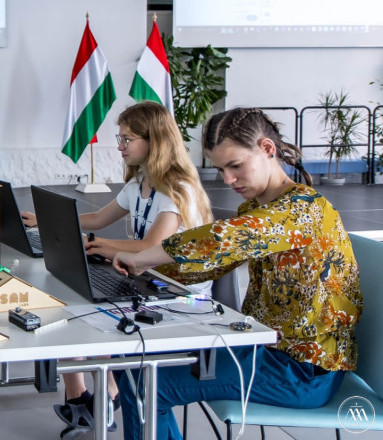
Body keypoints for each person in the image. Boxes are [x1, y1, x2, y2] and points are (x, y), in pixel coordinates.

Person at [110, 107, 362, 440]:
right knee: (133, 359)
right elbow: (210, 264)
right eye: (220, 169)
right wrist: (138, 271)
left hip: (303, 370)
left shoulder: (304, 210)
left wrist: (143, 258)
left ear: (267, 149)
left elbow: (222, 238)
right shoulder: (257, 208)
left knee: (142, 384)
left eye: (236, 165)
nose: (228, 179)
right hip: (264, 349)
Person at [21, 101, 213, 438]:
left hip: (177, 294)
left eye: (128, 139)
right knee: (70, 300)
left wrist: (99, 245)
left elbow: (152, 246)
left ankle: (104, 395)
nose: (120, 146)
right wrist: (46, 221)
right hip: (147, 278)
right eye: (120, 138)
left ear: (154, 141)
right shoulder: (140, 181)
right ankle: (92, 397)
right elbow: (98, 218)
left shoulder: (176, 188)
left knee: (84, 313)